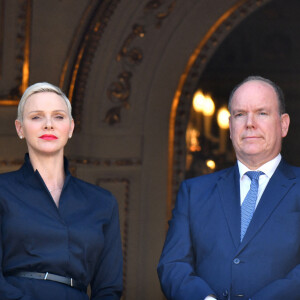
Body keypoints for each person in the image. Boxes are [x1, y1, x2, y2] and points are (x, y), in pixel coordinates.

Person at [157, 76, 300, 300]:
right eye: (240, 114)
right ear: (231, 127)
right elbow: (173, 264)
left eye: (262, 113)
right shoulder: (194, 192)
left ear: (283, 124)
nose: (250, 123)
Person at [0, 82, 123, 300]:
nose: (49, 125)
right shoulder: (3, 191)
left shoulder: (102, 202)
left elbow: (109, 288)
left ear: (71, 127)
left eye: (58, 116)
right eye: (36, 116)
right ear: (20, 129)